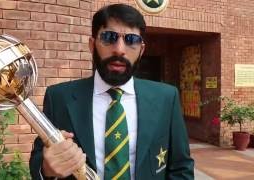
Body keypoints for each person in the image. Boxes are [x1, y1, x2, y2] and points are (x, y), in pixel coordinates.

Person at [29, 3, 194, 180]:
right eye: (109, 37)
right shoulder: (59, 97)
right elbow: (39, 161)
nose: (119, 50)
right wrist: (46, 169)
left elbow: (181, 168)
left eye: (131, 40)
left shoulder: (166, 98)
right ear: (92, 45)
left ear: (141, 50)